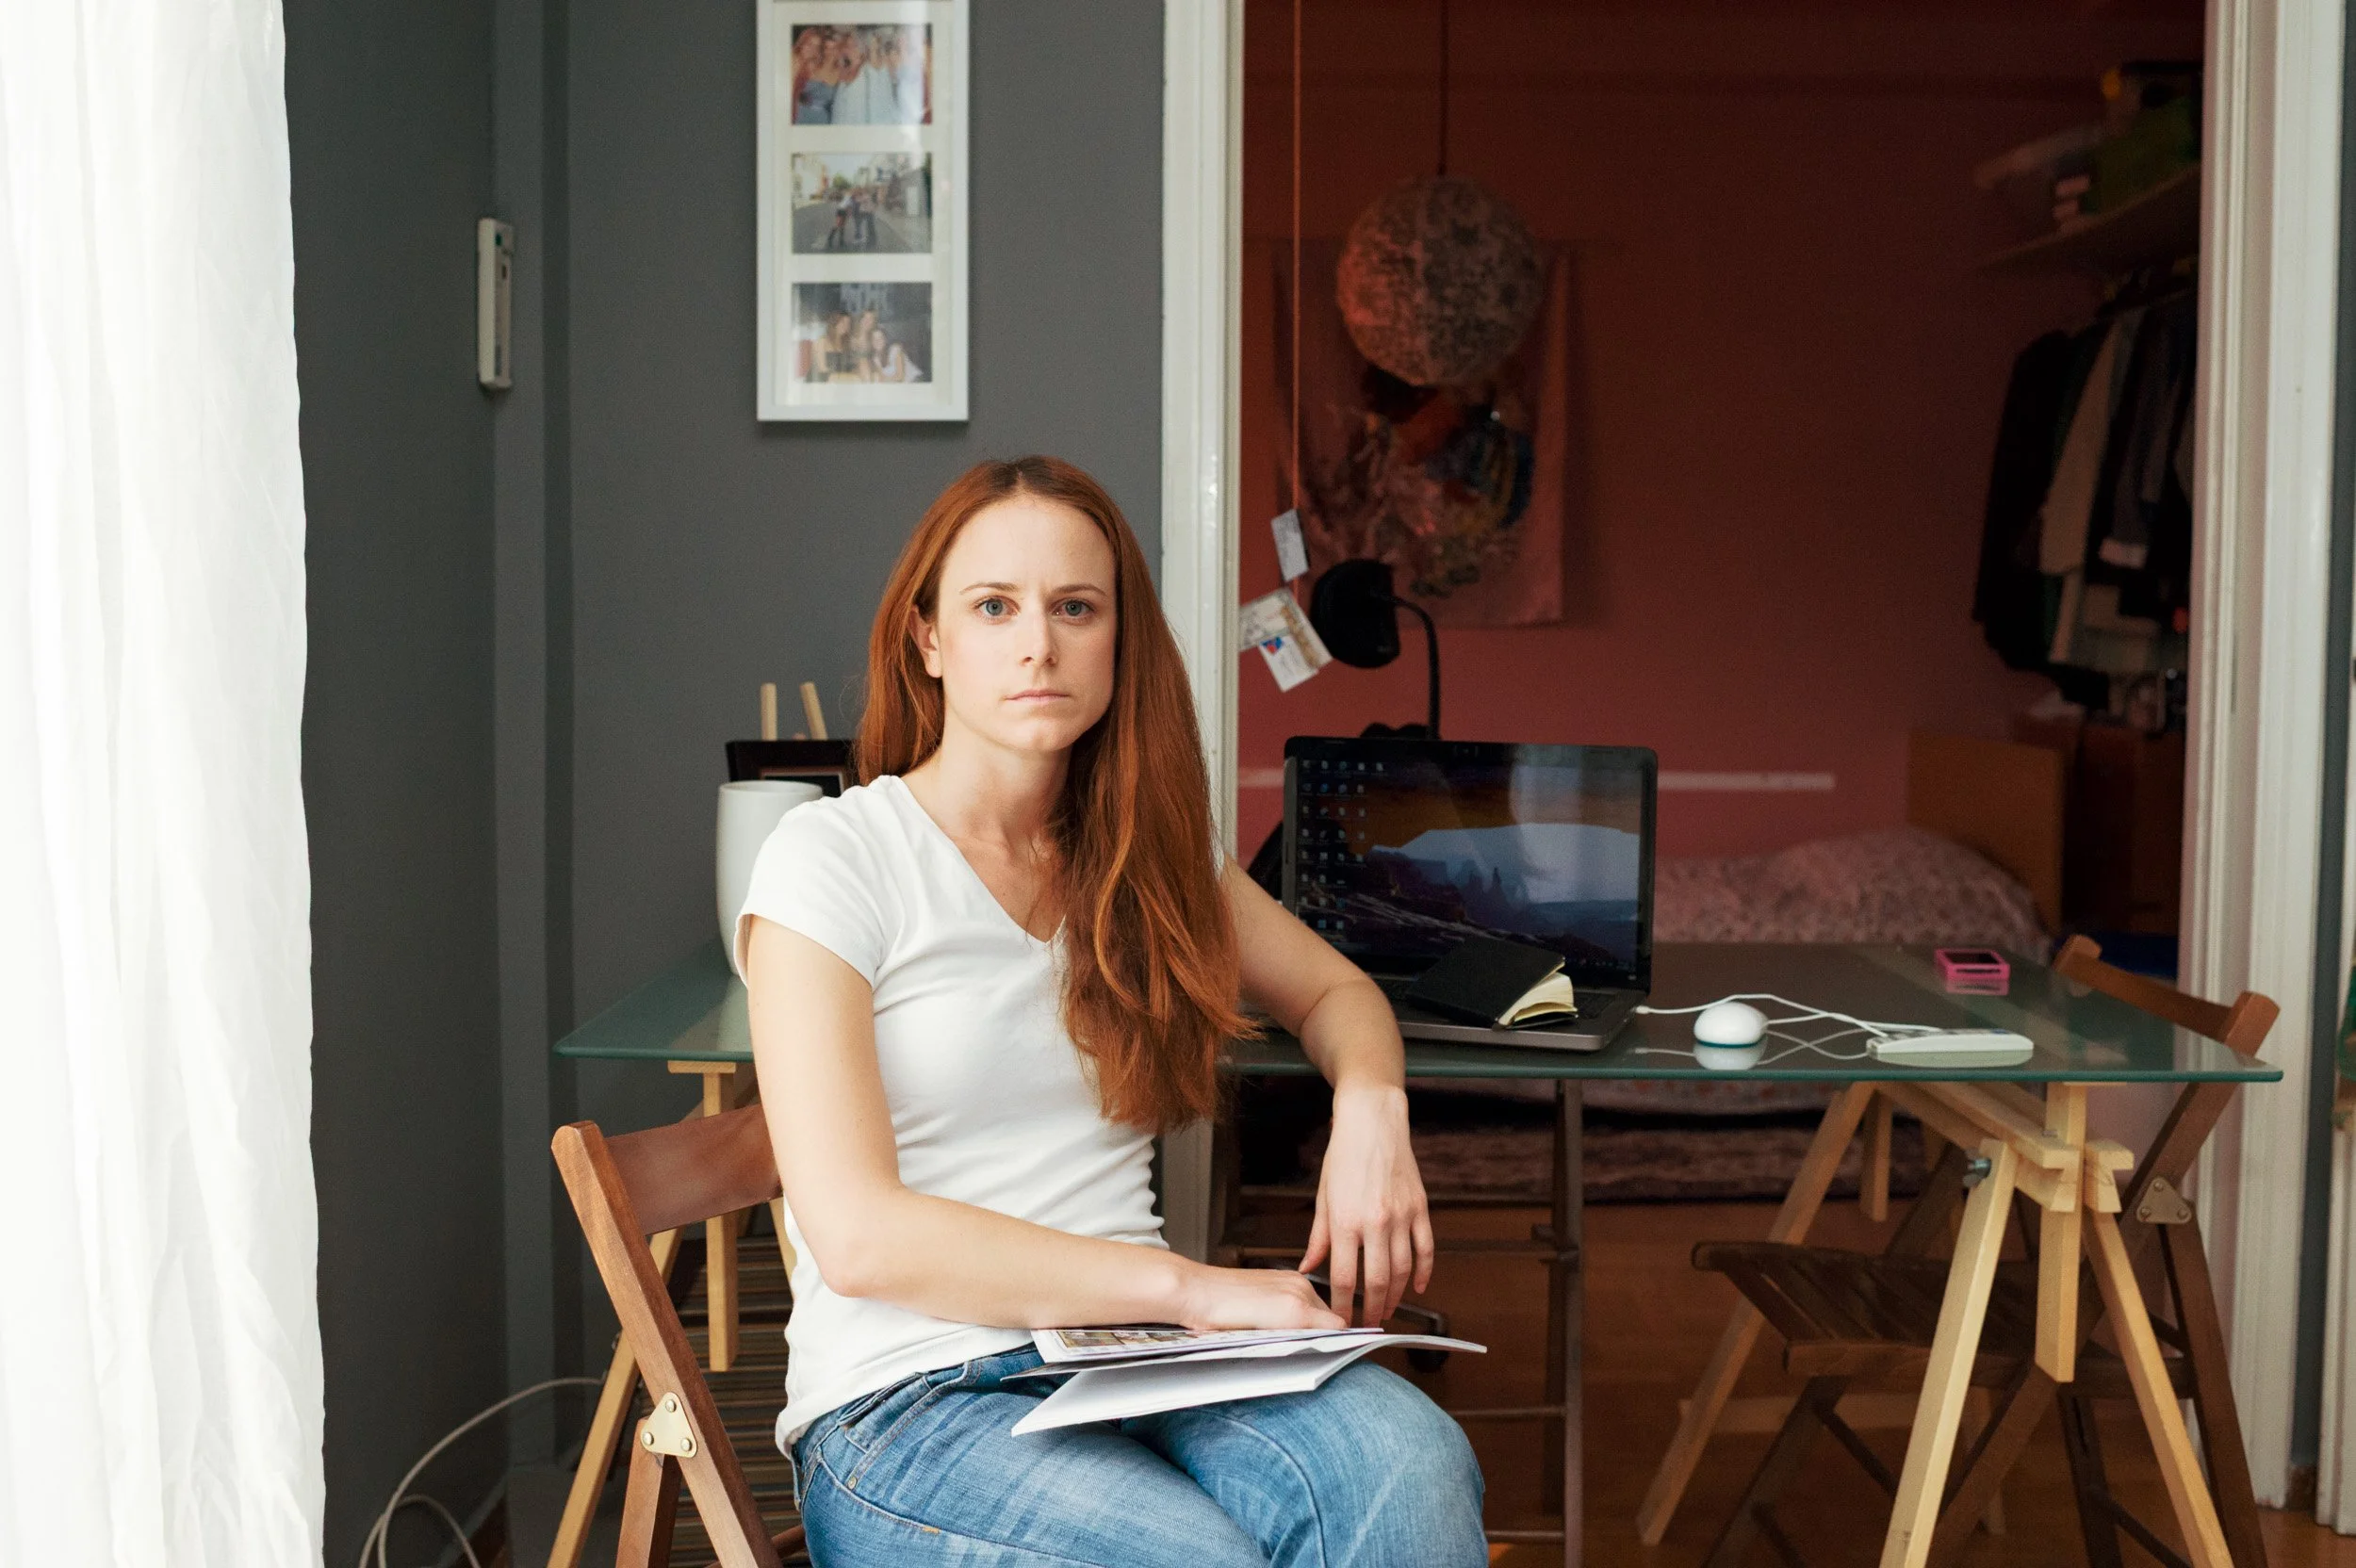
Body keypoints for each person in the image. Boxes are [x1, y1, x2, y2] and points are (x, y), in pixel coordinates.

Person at [738, 457, 1487, 1566]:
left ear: (1118, 640)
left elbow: (1338, 991)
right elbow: (856, 1234)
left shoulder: (1148, 857)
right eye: (994, 605)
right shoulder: (833, 856)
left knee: (1414, 1460)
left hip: (1141, 1358)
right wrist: (1197, 1288)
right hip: (908, 1399)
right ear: (928, 638)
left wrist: (1372, 1105)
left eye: (1074, 607)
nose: (1037, 643)